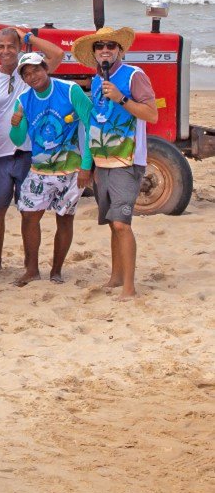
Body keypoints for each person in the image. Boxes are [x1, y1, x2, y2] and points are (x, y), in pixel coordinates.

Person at [72, 25, 157, 299]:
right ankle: (116, 277)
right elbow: (96, 123)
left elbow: (151, 114)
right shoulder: (97, 80)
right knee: (112, 222)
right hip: (103, 161)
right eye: (100, 46)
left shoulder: (134, 75)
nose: (105, 50)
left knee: (122, 223)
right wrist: (91, 164)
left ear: (120, 49)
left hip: (127, 160)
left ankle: (130, 288)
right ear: (94, 53)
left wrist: (121, 98)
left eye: (110, 45)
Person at [0, 25, 66, 272]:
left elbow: (58, 55)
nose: (6, 51)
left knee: (30, 212)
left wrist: (29, 37)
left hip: (30, 152)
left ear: (19, 49)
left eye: (11, 46)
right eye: (1, 47)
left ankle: (30, 265)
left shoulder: (30, 74)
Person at [9, 51, 91, 286]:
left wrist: (87, 166)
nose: (32, 76)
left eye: (36, 69)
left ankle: (56, 270)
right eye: (26, 74)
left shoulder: (70, 90)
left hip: (71, 169)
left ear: (46, 68)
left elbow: (91, 124)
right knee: (28, 217)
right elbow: (18, 139)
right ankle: (32, 269)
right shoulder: (23, 100)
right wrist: (15, 125)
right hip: (40, 171)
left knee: (65, 219)